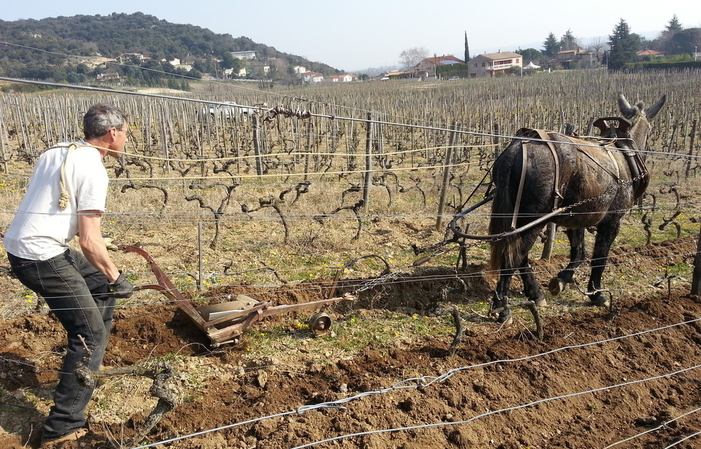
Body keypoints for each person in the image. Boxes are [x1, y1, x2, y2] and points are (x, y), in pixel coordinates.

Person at [3, 103, 134, 447]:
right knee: (89, 332)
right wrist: (116, 275)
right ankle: (63, 427)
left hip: (28, 245)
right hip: (40, 256)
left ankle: (86, 372)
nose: (125, 138)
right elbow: (90, 241)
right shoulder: (94, 169)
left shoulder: (58, 150)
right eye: (125, 132)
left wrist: (106, 278)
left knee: (99, 289)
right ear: (112, 134)